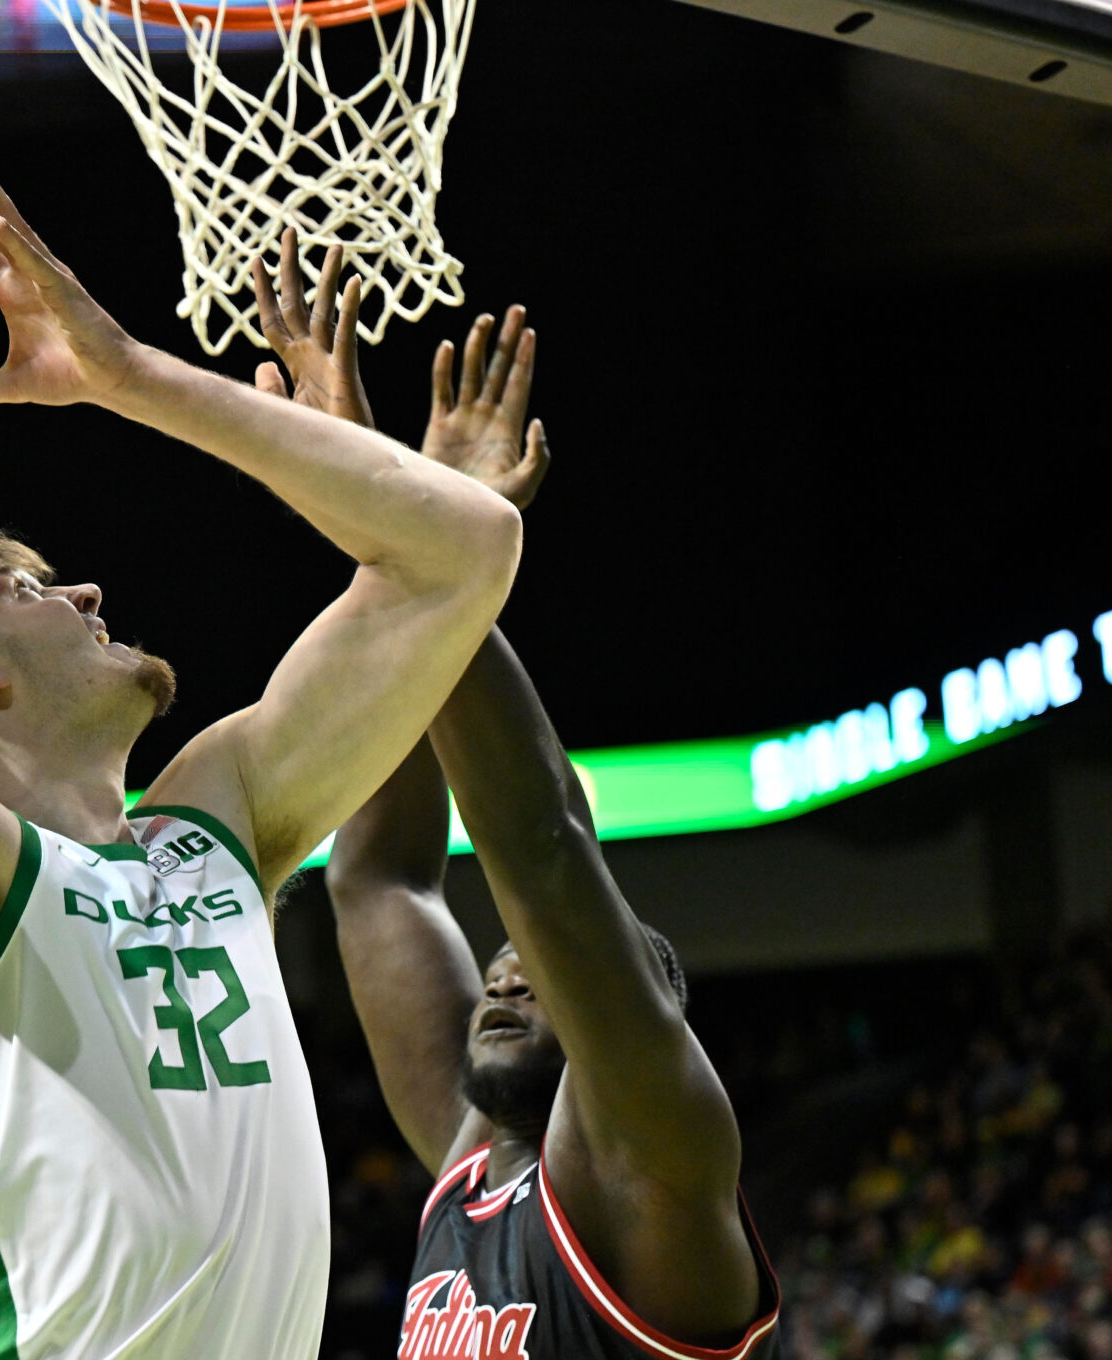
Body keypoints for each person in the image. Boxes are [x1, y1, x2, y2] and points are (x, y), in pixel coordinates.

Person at [0, 170, 526, 1358]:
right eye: (30, 585)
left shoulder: (214, 825)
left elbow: (463, 551)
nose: (86, 590)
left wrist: (125, 376)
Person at [264, 256, 778, 1357]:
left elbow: (542, 849)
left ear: (647, 1007)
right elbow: (378, 877)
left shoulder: (658, 1150)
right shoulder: (469, 1158)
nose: (502, 971)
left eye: (538, 971)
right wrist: (396, 546)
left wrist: (427, 544)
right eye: (501, 965)